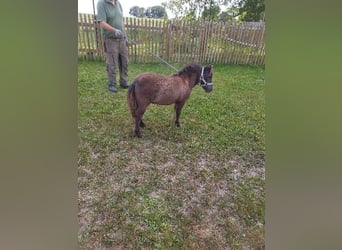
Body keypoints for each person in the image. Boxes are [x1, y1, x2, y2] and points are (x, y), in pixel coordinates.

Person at [96, 0, 130, 93]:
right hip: (111, 40)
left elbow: (121, 21)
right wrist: (114, 30)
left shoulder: (118, 3)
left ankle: (123, 82)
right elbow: (102, 22)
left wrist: (125, 35)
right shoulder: (102, 3)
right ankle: (112, 84)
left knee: (124, 62)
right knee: (112, 63)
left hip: (122, 39)